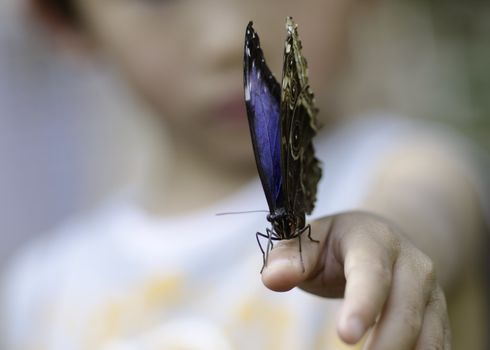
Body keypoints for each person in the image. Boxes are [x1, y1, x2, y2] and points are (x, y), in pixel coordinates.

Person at [1, 0, 487, 349]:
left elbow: (430, 208)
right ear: (66, 20)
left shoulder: (404, 164)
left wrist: (388, 236)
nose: (223, 39)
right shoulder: (40, 290)